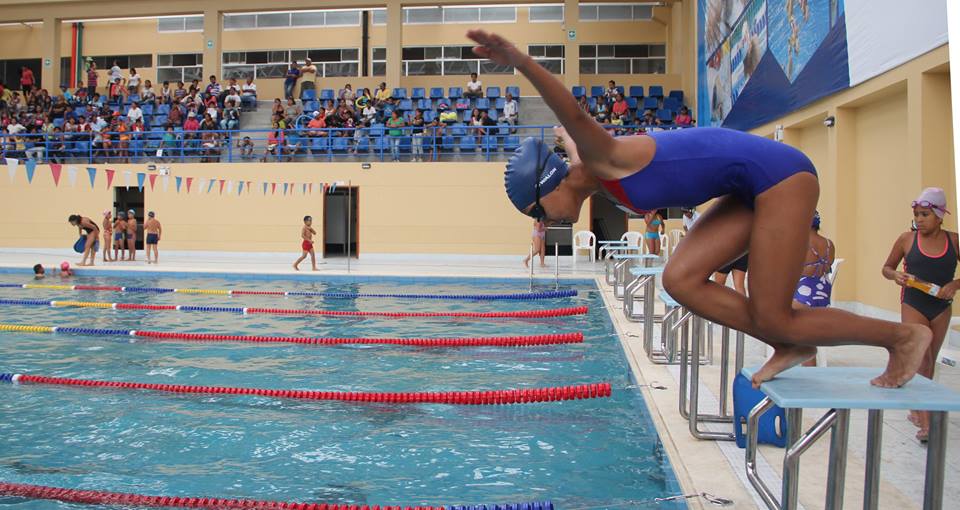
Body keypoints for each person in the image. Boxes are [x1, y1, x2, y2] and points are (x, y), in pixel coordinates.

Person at [470, 28, 931, 389]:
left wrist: (521, 63)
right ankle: (786, 341)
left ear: (549, 185)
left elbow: (570, 116)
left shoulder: (601, 157)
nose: (544, 222)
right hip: (745, 189)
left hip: (780, 177)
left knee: (773, 310)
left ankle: (900, 337)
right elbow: (564, 135)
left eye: (538, 211)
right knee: (680, 280)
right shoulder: (583, 167)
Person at [882, 188, 959, 441]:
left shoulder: (954, 241)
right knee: (922, 357)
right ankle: (926, 424)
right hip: (913, 303)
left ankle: (918, 406)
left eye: (925, 214)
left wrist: (955, 284)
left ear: (939, 215)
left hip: (940, 307)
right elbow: (887, 268)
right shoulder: (907, 239)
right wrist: (896, 276)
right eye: (916, 214)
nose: (919, 219)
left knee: (929, 361)